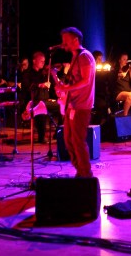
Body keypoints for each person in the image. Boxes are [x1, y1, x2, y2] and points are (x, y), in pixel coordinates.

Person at [51, 27, 97, 179]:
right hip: (72, 105)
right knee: (69, 140)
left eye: (66, 41)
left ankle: (85, 174)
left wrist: (66, 88)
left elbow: (86, 80)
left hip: (82, 105)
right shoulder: (75, 57)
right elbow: (73, 81)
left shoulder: (85, 56)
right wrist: (58, 81)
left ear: (75, 40)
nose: (63, 44)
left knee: (77, 140)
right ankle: (80, 171)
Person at [20, 50, 53, 146]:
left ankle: (59, 133)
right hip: (31, 100)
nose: (43, 63)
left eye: (44, 61)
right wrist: (40, 85)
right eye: (41, 61)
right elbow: (27, 86)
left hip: (44, 100)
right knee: (41, 107)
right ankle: (41, 137)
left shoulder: (43, 73)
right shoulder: (27, 73)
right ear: (34, 61)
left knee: (60, 106)